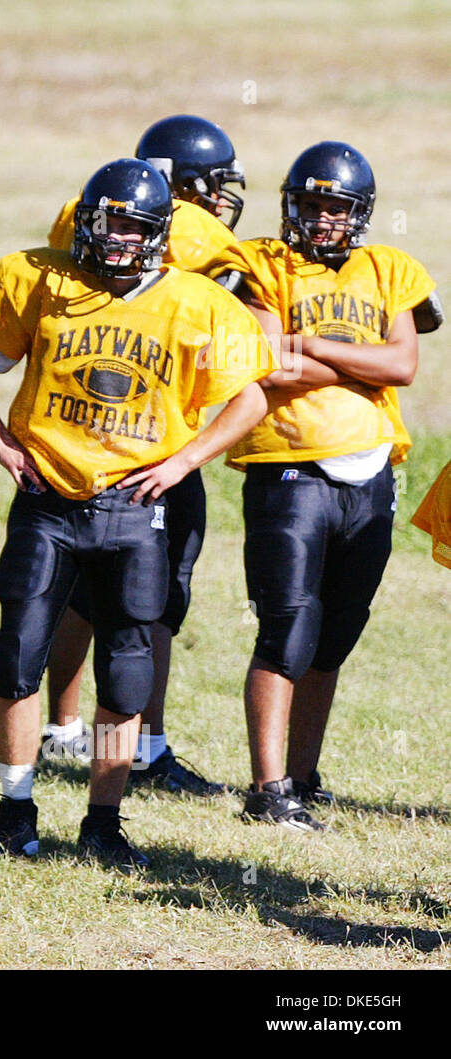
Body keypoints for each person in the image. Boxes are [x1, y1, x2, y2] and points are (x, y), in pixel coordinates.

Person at [0, 159, 271, 870]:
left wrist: (183, 462)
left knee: (125, 671)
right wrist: (2, 443)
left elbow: (251, 399)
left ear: (159, 234)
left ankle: (103, 822)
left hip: (134, 505)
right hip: (48, 497)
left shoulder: (196, 301)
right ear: (85, 218)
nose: (115, 235)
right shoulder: (42, 276)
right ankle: (14, 808)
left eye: (132, 223)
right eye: (105, 219)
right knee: (17, 655)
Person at [208, 142, 440, 830]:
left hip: (371, 471)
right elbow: (266, 364)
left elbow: (402, 364)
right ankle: (267, 786)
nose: (319, 217)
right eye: (308, 203)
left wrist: (311, 345)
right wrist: (352, 365)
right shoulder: (262, 264)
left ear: (359, 212)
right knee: (287, 626)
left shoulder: (389, 268)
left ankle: (303, 776)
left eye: (333, 206)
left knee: (336, 631)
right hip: (289, 465)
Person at [40, 115, 245, 795]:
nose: (223, 200)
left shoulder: (81, 211)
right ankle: (145, 749)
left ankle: (64, 727)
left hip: (81, 434)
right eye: (214, 185)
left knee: (79, 594)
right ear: (183, 184)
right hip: (162, 446)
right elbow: (240, 327)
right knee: (149, 606)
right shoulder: (203, 237)